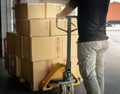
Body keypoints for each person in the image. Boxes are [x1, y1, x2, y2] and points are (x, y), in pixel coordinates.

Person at [56, 0, 110, 94]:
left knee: (89, 75)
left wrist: (59, 15)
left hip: (88, 41)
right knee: (99, 73)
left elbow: (69, 8)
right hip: (102, 39)